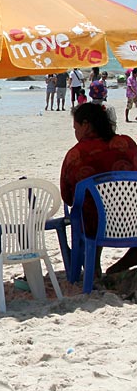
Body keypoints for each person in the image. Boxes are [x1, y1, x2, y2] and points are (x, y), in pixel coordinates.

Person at [60, 102, 137, 276]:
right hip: (133, 221)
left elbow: (68, 197)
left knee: (91, 208)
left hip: (96, 225)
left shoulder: (76, 154)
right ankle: (119, 266)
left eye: (76, 128)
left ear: (86, 125)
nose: (76, 133)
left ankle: (93, 266)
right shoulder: (128, 143)